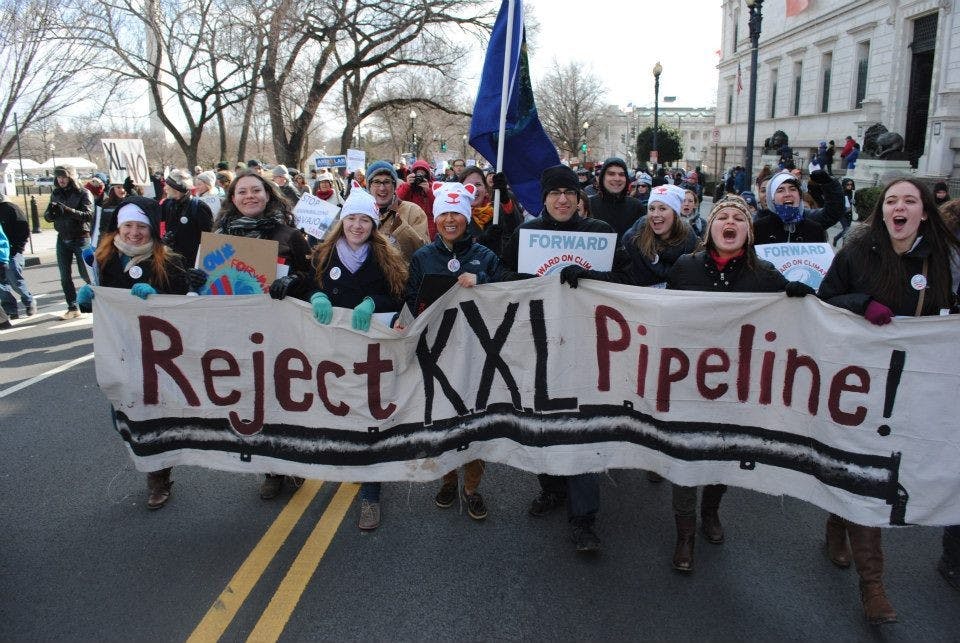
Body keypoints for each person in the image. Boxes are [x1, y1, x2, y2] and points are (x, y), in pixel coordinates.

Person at [817, 178, 960, 624]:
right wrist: (863, 304)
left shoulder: (947, 260)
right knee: (866, 471)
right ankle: (873, 586)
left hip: (917, 384)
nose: (899, 207)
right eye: (891, 201)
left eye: (909, 201)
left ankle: (838, 520)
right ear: (882, 212)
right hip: (859, 382)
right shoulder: (857, 252)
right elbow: (826, 300)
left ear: (924, 212)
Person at [663, 197, 807, 572]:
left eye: (738, 218)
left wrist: (798, 297)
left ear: (749, 231)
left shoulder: (767, 275)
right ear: (710, 229)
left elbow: (796, 320)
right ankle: (685, 533)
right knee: (687, 454)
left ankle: (711, 511)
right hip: (688, 381)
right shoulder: (686, 267)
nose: (730, 222)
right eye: (722, 217)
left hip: (737, 386)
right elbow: (662, 317)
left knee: (723, 454)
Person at [501, 164, 633, 554]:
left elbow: (629, 282)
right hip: (537, 343)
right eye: (555, 193)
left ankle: (584, 518)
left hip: (590, 346)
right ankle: (551, 488)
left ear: (579, 198)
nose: (562, 200)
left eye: (569, 193)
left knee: (583, 428)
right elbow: (503, 275)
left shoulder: (600, 235)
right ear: (543, 199)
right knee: (538, 424)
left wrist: (592, 278)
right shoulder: (527, 235)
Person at [269, 183, 408, 531]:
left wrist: (373, 303)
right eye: (351, 219)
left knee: (369, 419)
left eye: (365, 220)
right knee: (336, 415)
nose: (357, 226)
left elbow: (398, 294)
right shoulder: (323, 254)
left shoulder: (384, 255)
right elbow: (310, 283)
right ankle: (340, 466)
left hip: (369, 353)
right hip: (331, 353)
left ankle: (371, 494)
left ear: (373, 224)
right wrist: (316, 295)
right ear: (342, 221)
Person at [74, 196, 198, 509]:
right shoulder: (102, 260)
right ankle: (152, 461)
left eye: (140, 226)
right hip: (119, 350)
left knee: (154, 413)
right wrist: (87, 299)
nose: (133, 232)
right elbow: (96, 306)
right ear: (118, 227)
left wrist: (159, 298)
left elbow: (185, 303)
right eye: (127, 225)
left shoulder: (169, 260)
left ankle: (158, 476)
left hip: (159, 354)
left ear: (151, 231)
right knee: (124, 414)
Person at [405, 181, 517, 522]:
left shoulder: (485, 256)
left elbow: (509, 294)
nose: (450, 220)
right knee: (442, 420)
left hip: (479, 352)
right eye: (444, 214)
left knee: (475, 423)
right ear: (436, 218)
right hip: (438, 352)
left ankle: (471, 487)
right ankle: (447, 478)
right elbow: (411, 299)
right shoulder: (423, 257)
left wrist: (482, 279)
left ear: (467, 217)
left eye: (457, 213)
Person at [212, 172, 312, 499]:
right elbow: (205, 288)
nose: (250, 196)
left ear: (268, 194)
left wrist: (295, 280)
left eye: (256, 190)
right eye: (243, 191)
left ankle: (291, 461)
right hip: (237, 333)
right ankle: (271, 467)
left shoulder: (290, 235)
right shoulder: (219, 237)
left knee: (284, 396)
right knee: (254, 401)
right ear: (233, 197)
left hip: (280, 333)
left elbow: (312, 278)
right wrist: (196, 278)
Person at [43, 165, 93, 320]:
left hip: (81, 237)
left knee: (87, 273)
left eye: (64, 177)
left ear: (71, 177)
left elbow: (89, 215)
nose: (61, 180)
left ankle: (97, 301)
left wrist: (68, 211)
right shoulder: (56, 193)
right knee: (65, 276)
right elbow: (48, 214)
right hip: (62, 237)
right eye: (58, 177)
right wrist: (50, 215)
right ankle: (72, 307)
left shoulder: (83, 192)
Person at [753, 170, 843, 245]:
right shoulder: (757, 228)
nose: (787, 194)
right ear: (772, 198)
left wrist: (830, 184)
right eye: (780, 190)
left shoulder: (814, 228)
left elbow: (832, 213)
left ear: (799, 196)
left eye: (792, 189)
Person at [364, 160, 429, 262]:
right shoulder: (361, 215)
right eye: (376, 182)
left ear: (394, 186)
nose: (382, 188)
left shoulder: (413, 211)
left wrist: (401, 229)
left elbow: (424, 254)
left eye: (387, 182)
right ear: (369, 186)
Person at [460, 166, 522, 257]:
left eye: (478, 184)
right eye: (468, 185)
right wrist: (481, 241)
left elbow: (516, 229)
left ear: (485, 189)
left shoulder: (496, 210)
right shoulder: (454, 214)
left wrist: (505, 200)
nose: (474, 189)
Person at [160, 169, 214, 270]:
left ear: (176, 188)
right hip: (171, 261)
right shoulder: (168, 204)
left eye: (167, 185)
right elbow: (153, 216)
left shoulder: (199, 207)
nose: (165, 188)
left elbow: (209, 239)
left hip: (191, 264)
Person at [588, 157, 645, 241]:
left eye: (621, 174)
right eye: (611, 174)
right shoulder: (589, 205)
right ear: (603, 178)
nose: (617, 178)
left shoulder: (636, 206)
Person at [0, 194, 36, 318]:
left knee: (14, 279)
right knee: (1, 284)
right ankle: (10, 308)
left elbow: (23, 229)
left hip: (12, 251)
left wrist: (17, 248)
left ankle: (29, 301)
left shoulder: (11, 208)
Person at [396, 159, 436, 238]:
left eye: (422, 174)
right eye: (417, 173)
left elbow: (438, 207)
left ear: (427, 175)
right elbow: (396, 200)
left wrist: (428, 192)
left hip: (429, 226)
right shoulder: (407, 187)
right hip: (410, 224)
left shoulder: (433, 187)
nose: (419, 177)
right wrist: (407, 185)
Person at [833, 177, 856, 247]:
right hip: (841, 214)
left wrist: (853, 202)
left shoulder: (851, 192)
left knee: (846, 230)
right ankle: (842, 245)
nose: (850, 186)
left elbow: (850, 203)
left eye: (851, 184)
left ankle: (837, 239)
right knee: (846, 229)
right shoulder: (841, 192)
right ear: (844, 185)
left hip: (849, 213)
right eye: (848, 184)